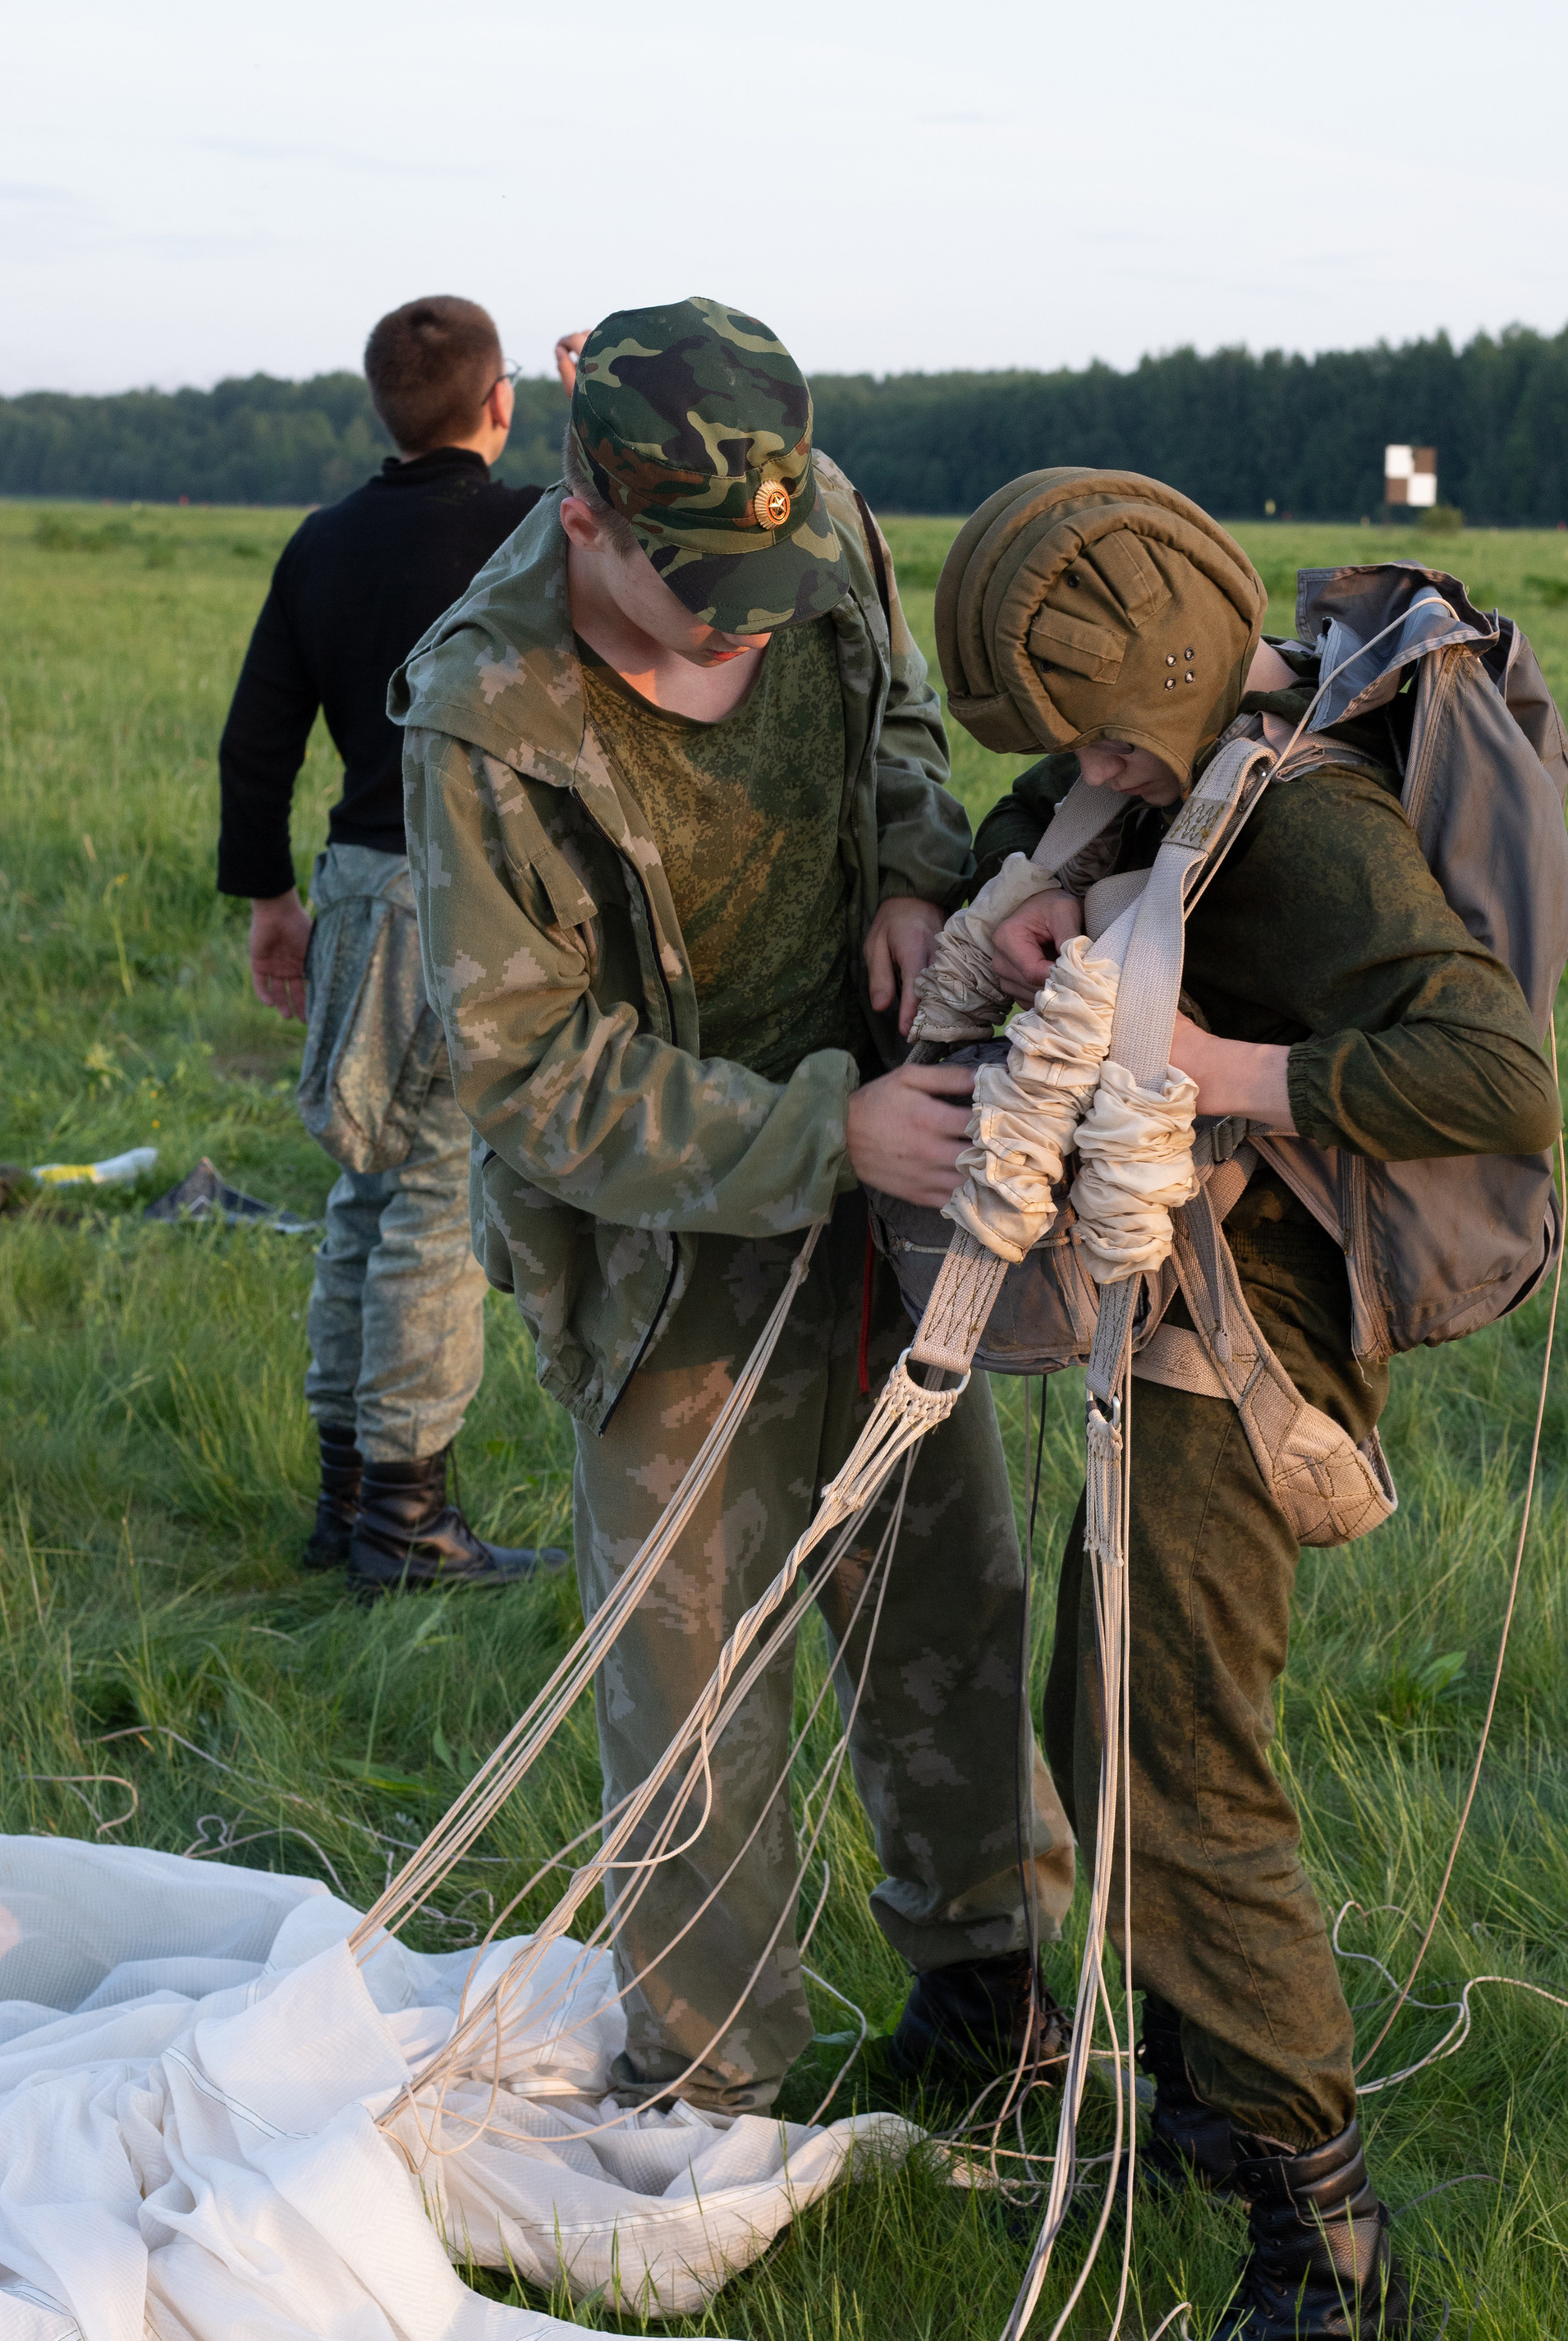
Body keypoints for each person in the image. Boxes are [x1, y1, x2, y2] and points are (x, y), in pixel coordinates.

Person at [391, 296, 1075, 2115]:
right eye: (697, 589)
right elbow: (525, 1071)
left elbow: (896, 730)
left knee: (945, 1588)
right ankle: (710, 2095)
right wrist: (812, 1141)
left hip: (888, 1169)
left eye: (760, 577)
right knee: (692, 1677)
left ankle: (988, 2002)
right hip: (665, 1239)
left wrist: (920, 876)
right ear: (588, 513)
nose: (736, 623)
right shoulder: (485, 711)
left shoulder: (809, 521)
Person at [940, 467, 1562, 2341]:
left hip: (1254, 1331)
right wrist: (1049, 901)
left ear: (1167, 666)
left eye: (1099, 728)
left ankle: (1323, 2235)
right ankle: (1210, 2108)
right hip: (1172, 1290)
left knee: (1173, 1749)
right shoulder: (1180, 775)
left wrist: (1215, 1069)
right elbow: (1061, 832)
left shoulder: (1300, 821)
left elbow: (1493, 1072)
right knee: (1090, 1715)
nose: (1086, 768)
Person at [217, 294, 580, 1596]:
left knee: (360, 1191)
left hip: (356, 886)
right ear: (499, 403)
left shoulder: (322, 543)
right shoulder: (529, 529)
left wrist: (272, 900)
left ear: (384, 406)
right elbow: (641, 535)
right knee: (434, 1192)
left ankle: (345, 1500)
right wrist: (597, 417)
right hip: (462, 897)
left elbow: (258, 741)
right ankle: (409, 1526)